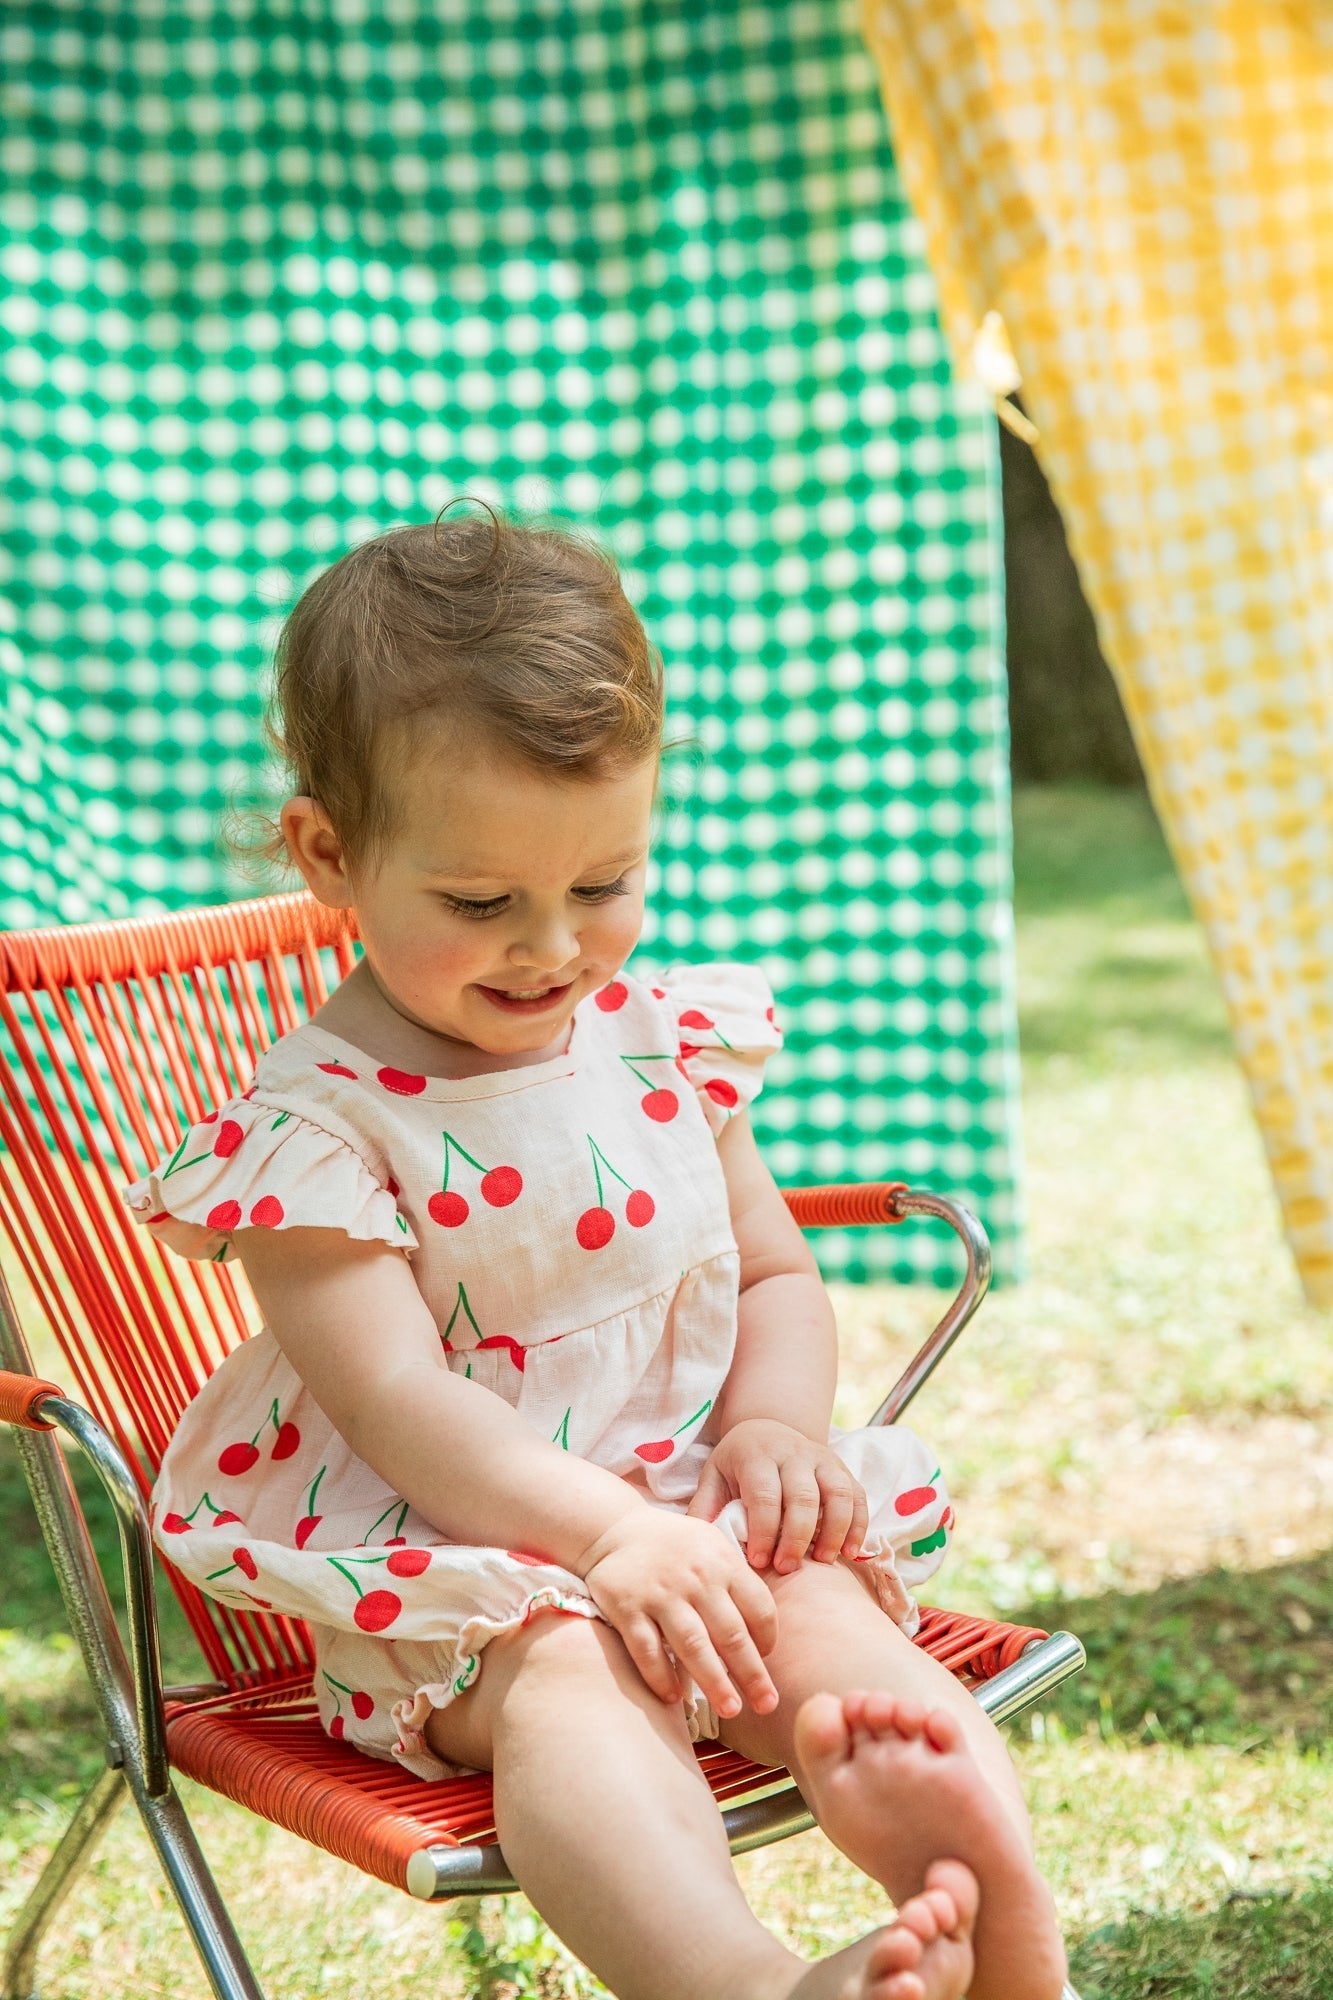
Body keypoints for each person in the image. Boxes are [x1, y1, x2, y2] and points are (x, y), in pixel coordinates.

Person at [125, 509, 1068, 2000]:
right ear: (329, 853)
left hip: (684, 1510)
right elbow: (398, 1411)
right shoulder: (317, 1134)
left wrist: (766, 1428)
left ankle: (986, 1902)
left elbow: (765, 1270)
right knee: (569, 1680)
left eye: (603, 884)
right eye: (481, 902)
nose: (552, 948)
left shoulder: (659, 1040)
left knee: (819, 1613)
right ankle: (744, 1986)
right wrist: (607, 1542)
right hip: (464, 1564)